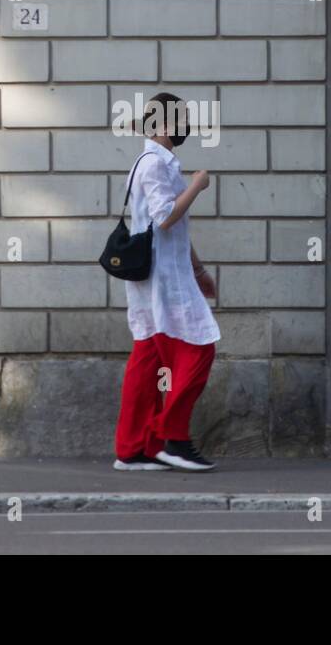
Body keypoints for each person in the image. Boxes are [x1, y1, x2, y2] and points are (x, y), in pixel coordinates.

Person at [113, 93, 220, 472]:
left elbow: (173, 233)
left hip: (162, 275)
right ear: (163, 125)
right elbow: (164, 219)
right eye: (181, 121)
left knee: (148, 361)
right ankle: (171, 438)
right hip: (163, 281)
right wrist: (198, 185)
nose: (185, 128)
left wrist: (199, 271)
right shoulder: (155, 166)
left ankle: (132, 448)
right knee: (200, 349)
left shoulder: (155, 163)